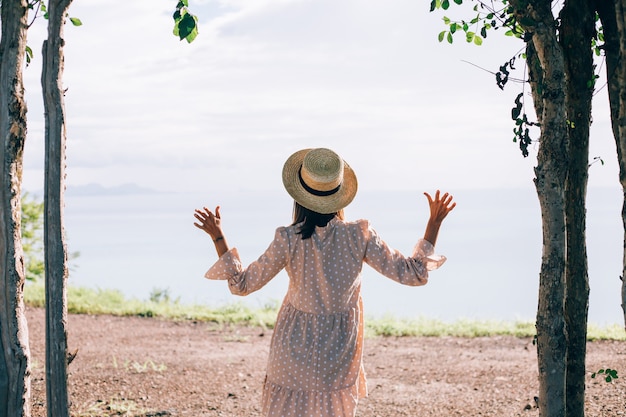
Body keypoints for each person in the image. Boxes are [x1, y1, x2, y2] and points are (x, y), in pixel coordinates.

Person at [193, 147, 455, 417]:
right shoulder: (359, 235)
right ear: (340, 196)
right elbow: (413, 274)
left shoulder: (288, 238)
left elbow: (242, 284)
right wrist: (434, 223)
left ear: (300, 197)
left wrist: (217, 235)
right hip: (338, 354)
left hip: (291, 352)